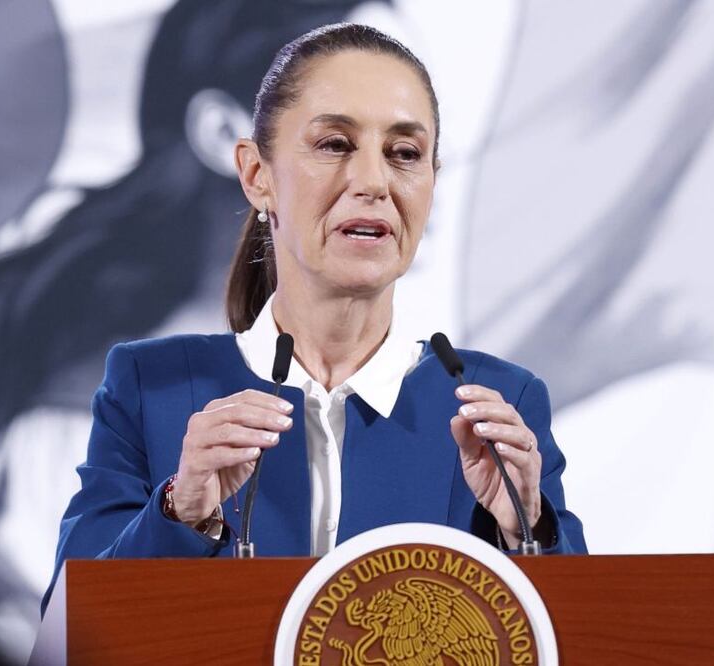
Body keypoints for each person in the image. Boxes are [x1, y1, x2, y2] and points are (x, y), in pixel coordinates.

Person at [44, 22, 586, 611]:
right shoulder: (151, 387)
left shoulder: (496, 403)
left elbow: (577, 632)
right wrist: (180, 512)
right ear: (257, 176)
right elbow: (69, 632)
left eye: (404, 154)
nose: (374, 182)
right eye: (334, 145)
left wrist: (527, 531)